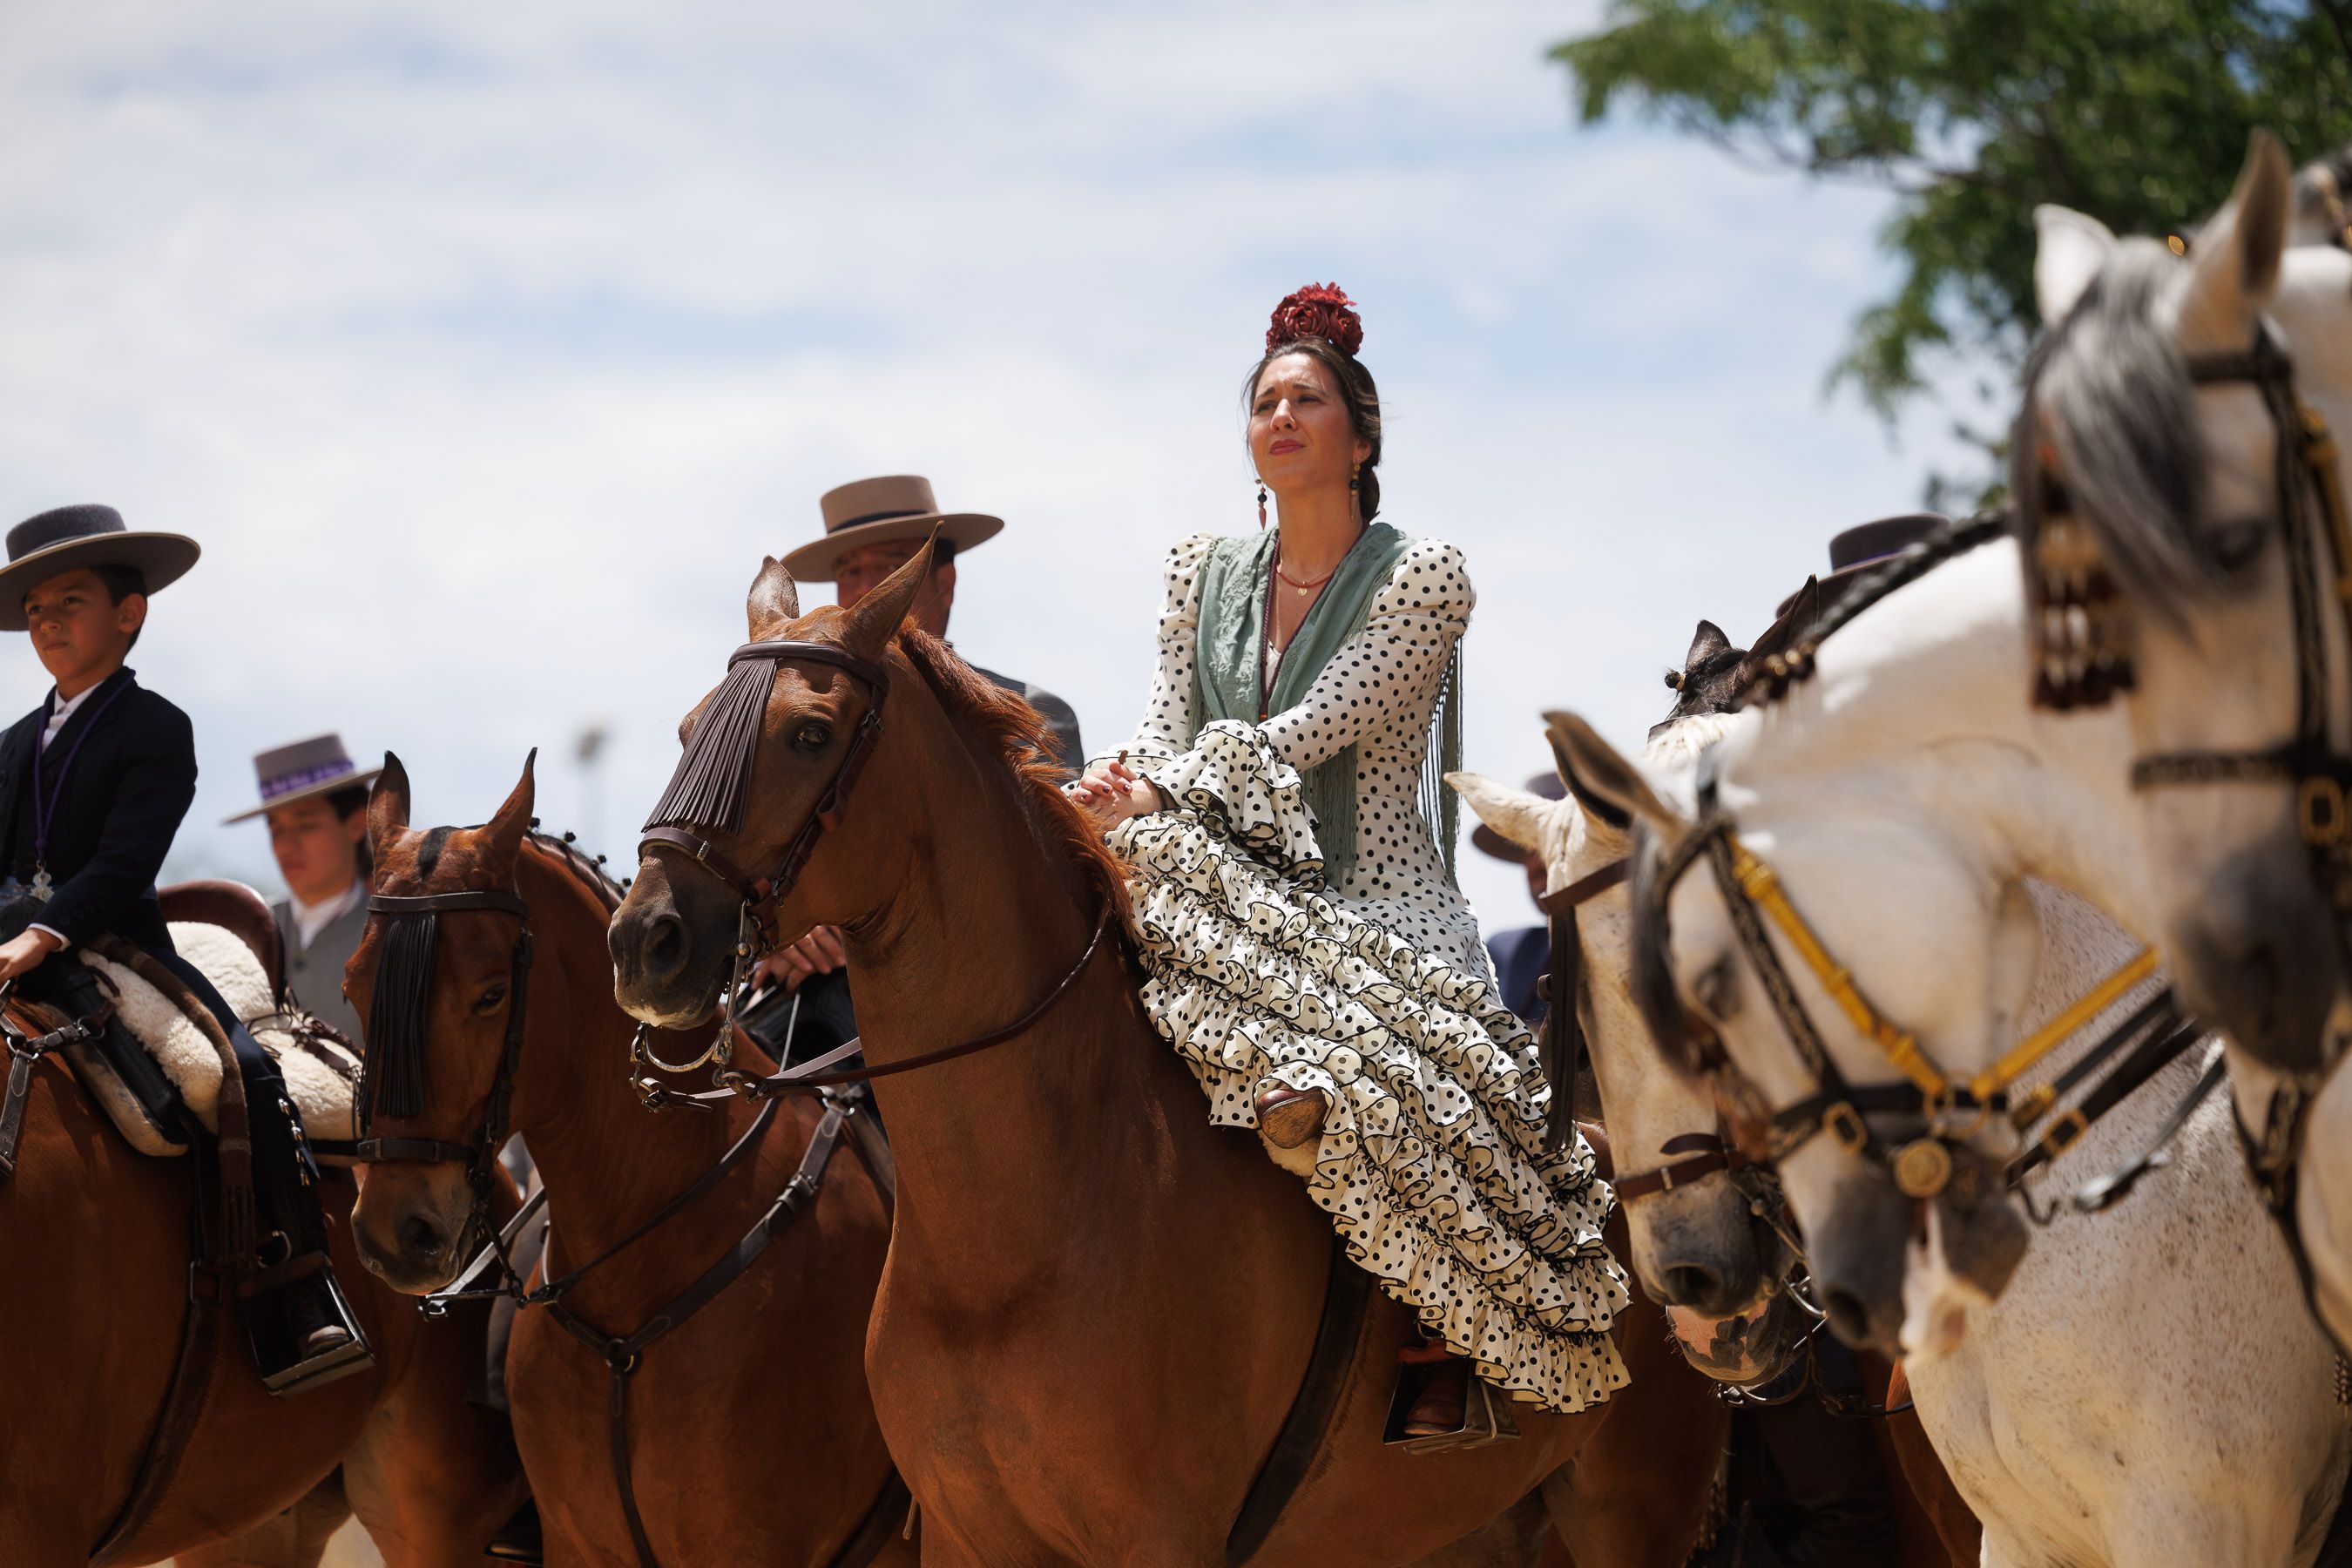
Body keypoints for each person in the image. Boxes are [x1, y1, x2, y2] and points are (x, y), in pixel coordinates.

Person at [1069, 285, 1626, 1436]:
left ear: (1360, 439)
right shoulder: (1197, 570)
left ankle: (1448, 1344)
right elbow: (1165, 720)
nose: (1279, 415)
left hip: (1377, 899)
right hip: (1218, 870)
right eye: (1264, 401)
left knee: (1435, 1078)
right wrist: (1119, 785)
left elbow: (1319, 724)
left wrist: (1166, 784)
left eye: (1306, 399)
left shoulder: (1425, 576)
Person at [0, 504, 359, 1382]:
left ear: (130, 613)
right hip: (9, 950)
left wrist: (43, 933)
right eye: (36, 608)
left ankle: (294, 1288)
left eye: (71, 602)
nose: (49, 622)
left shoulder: (156, 728)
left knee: (230, 1070)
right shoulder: (7, 745)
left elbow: (127, 862)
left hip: (115, 948)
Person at [758, 475, 1085, 1009]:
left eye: (890, 568)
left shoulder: (1032, 717)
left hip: (981, 1006)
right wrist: (775, 938)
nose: (868, 590)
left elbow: (1045, 893)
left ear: (945, 581)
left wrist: (846, 926)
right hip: (812, 999)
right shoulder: (806, 731)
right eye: (850, 572)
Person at [225, 734, 377, 1045]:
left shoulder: (394, 936)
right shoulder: (241, 934)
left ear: (356, 824)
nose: (287, 846)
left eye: (306, 825)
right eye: (276, 829)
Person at [1470, 771, 1565, 1024]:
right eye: (1527, 845)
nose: (1538, 862)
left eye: (1552, 840)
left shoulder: (1638, 946)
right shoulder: (1505, 950)